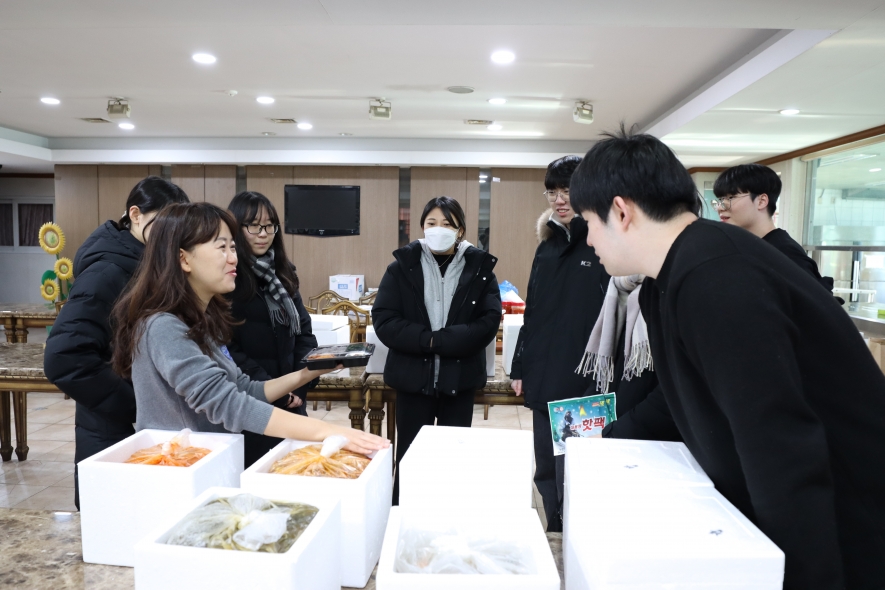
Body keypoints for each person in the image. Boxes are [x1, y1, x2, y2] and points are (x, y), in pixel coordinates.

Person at [570, 127, 885, 590]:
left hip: (843, 520)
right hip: (788, 510)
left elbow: (779, 443)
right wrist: (610, 440)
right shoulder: (667, 278)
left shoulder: (715, 275)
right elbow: (683, 392)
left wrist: (801, 576)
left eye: (589, 223)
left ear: (621, 211)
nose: (588, 240)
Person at [110, 202, 387, 456]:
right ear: (183, 259)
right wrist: (329, 431)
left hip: (210, 461)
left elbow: (244, 388)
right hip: (178, 469)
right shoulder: (163, 326)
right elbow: (229, 403)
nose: (233, 258)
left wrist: (308, 372)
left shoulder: (203, 321)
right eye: (222, 248)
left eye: (233, 248)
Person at [44, 176, 189, 509]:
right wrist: (137, 403)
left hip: (140, 427)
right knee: (116, 519)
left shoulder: (148, 264)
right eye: (162, 224)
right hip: (113, 428)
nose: (171, 236)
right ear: (135, 215)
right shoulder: (107, 272)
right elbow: (64, 358)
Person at [372, 196, 501, 504]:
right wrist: (426, 340)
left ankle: (448, 519)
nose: (438, 229)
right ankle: (402, 518)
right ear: (421, 227)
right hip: (412, 381)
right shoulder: (401, 267)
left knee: (452, 461)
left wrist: (442, 341)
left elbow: (488, 321)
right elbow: (385, 319)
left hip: (459, 381)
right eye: (431, 223)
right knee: (410, 458)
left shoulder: (480, 269)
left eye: (447, 224)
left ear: (460, 231)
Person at [509, 155, 610, 532]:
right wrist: (519, 366)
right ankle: (554, 535)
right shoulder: (547, 246)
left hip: (585, 384)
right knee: (547, 472)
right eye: (552, 192)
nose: (559, 199)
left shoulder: (603, 244)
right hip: (543, 377)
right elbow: (532, 312)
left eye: (566, 190)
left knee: (579, 472)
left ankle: (576, 540)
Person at [226, 191, 318, 467]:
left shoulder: (284, 274)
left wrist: (299, 386)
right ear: (236, 229)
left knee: (292, 469)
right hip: (250, 401)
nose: (263, 234)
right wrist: (273, 391)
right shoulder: (227, 279)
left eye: (269, 226)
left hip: (292, 399)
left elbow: (304, 334)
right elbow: (228, 349)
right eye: (254, 226)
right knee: (255, 473)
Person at [713, 163, 836, 293]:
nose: (720, 207)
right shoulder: (748, 246)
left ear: (761, 201)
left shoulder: (784, 252)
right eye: (720, 200)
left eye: (730, 198)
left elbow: (818, 301)